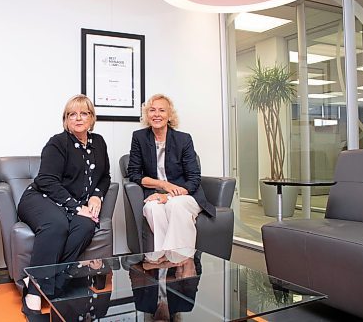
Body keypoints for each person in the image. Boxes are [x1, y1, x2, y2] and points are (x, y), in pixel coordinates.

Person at [17, 94, 111, 317]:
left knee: (87, 226)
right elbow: (46, 181)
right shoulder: (58, 142)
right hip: (41, 198)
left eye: (83, 113)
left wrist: (97, 196)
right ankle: (33, 294)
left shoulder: (99, 143)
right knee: (57, 225)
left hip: (74, 204)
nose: (78, 118)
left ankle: (45, 281)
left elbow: (105, 177)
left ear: (91, 117)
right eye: (72, 114)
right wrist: (76, 207)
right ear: (66, 119)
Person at [127, 94, 215, 260]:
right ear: (147, 115)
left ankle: (174, 259)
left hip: (185, 195)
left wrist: (167, 195)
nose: (157, 114)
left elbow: (194, 179)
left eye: (162, 110)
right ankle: (167, 259)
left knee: (174, 205)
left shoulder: (183, 139)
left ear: (169, 115)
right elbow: (134, 174)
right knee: (152, 208)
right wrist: (163, 184)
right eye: (152, 110)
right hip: (154, 195)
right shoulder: (139, 137)